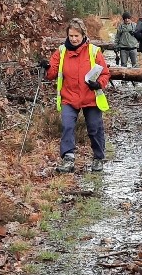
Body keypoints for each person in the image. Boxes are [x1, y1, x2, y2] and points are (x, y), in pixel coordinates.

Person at [41, 18, 110, 173]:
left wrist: (98, 84)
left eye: (76, 36)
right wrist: (46, 67)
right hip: (69, 97)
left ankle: (98, 158)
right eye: (71, 35)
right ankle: (68, 158)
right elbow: (51, 73)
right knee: (67, 126)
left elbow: (105, 73)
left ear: (83, 35)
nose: (73, 39)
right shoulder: (61, 51)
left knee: (94, 128)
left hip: (90, 97)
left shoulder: (93, 51)